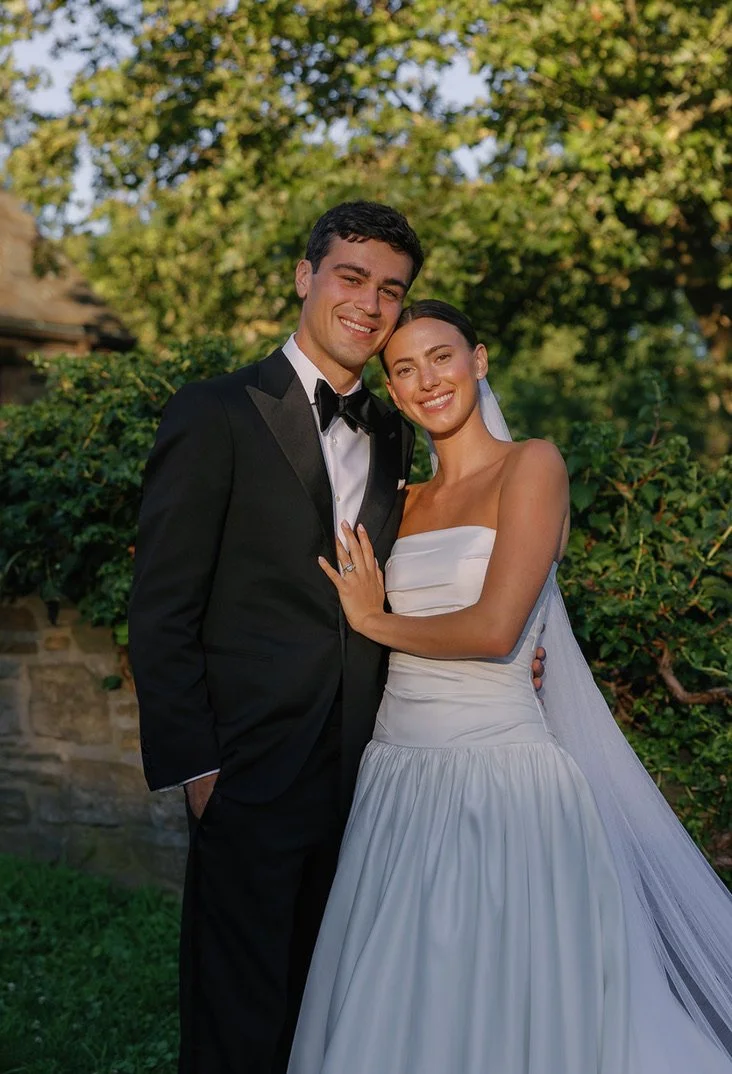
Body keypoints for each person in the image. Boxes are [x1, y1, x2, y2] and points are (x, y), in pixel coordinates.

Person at [128, 200, 551, 1074]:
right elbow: (162, 609)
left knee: (345, 1015)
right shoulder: (215, 413)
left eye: (392, 289)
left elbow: (459, 567)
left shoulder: (411, 430)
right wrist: (199, 771)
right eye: (351, 276)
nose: (370, 302)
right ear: (305, 277)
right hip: (250, 774)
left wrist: (520, 645)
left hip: (380, 777)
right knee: (238, 1018)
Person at [287, 300, 732, 1074]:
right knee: (398, 1005)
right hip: (396, 777)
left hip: (501, 780)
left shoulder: (532, 465)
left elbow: (496, 628)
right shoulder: (403, 502)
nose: (426, 380)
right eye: (404, 368)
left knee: (505, 1003)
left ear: (479, 361)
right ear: (391, 389)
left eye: (442, 357)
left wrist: (375, 620)